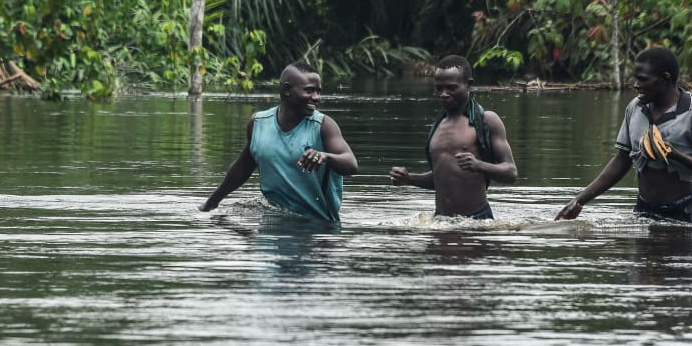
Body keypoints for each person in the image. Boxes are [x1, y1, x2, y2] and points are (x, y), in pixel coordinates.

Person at [555, 47, 692, 224]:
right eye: (635, 78)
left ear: (665, 79)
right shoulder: (635, 107)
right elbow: (622, 160)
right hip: (644, 211)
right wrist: (579, 201)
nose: (636, 85)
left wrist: (675, 155)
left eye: (642, 79)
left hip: (684, 211)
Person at [200, 61, 358, 222]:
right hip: (273, 222)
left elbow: (351, 165)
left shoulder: (324, 126)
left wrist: (325, 157)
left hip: (318, 226)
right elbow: (242, 168)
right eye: (309, 91)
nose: (316, 98)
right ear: (287, 89)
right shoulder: (258, 123)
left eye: (318, 91)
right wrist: (210, 203)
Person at [388, 55, 517, 219]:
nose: (444, 94)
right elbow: (441, 178)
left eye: (451, 88)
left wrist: (478, 165)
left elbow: (511, 172)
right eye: (439, 88)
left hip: (476, 221)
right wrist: (408, 179)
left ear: (468, 85)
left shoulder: (486, 120)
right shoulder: (438, 125)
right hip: (440, 219)